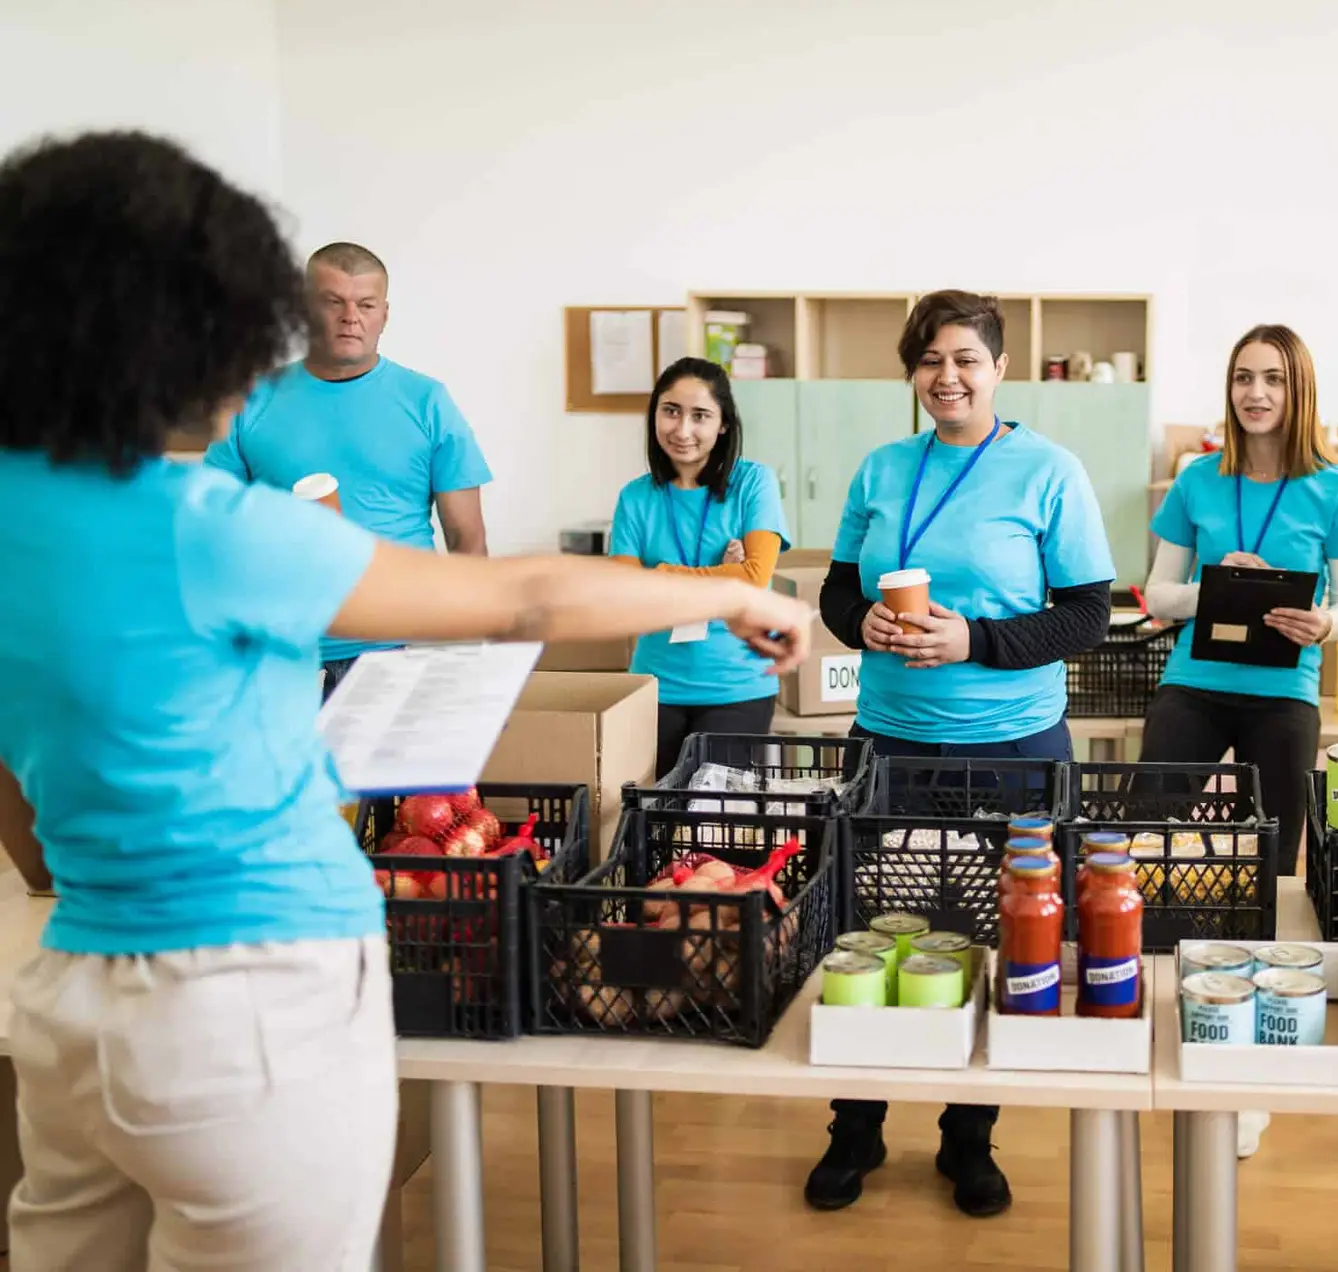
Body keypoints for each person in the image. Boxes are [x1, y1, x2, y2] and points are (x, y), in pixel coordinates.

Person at [0, 130, 809, 1272]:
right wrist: (732, 591)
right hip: (245, 997)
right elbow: (514, 595)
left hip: (67, 995)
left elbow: (21, 806)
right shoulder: (200, 526)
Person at [811, 290, 1114, 1217]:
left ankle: (968, 1135)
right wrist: (855, 620)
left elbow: (1087, 614)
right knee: (864, 930)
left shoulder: (1047, 470)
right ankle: (856, 1128)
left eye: (966, 360)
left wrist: (972, 641)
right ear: (913, 372)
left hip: (1013, 746)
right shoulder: (881, 467)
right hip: (889, 739)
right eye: (931, 360)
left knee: (995, 932)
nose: (948, 377)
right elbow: (834, 589)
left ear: (999, 368)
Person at [1139, 324, 1338, 1159]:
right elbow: (1157, 595)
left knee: (1271, 873)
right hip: (1193, 687)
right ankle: (1149, 1017)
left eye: (1272, 378)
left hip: (1285, 695)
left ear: (1297, 388)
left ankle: (1246, 1071)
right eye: (1243, 377)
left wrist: (1327, 622)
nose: (1256, 393)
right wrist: (1214, 586)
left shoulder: (1335, 490)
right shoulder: (1199, 479)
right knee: (1149, 844)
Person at [202, 239, 494, 699]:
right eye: (333, 302)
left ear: (384, 314)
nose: (350, 317)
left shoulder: (427, 401)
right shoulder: (251, 401)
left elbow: (467, 539)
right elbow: (215, 529)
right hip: (285, 651)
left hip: (403, 646)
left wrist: (462, 654)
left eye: (366, 304)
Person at [610, 356, 791, 778]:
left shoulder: (753, 483)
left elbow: (755, 576)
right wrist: (722, 581)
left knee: (715, 823)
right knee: (654, 819)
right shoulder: (635, 497)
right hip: (655, 685)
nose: (682, 429)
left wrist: (660, 576)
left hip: (738, 685)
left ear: (723, 423)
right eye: (671, 411)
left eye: (700, 415)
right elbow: (624, 594)